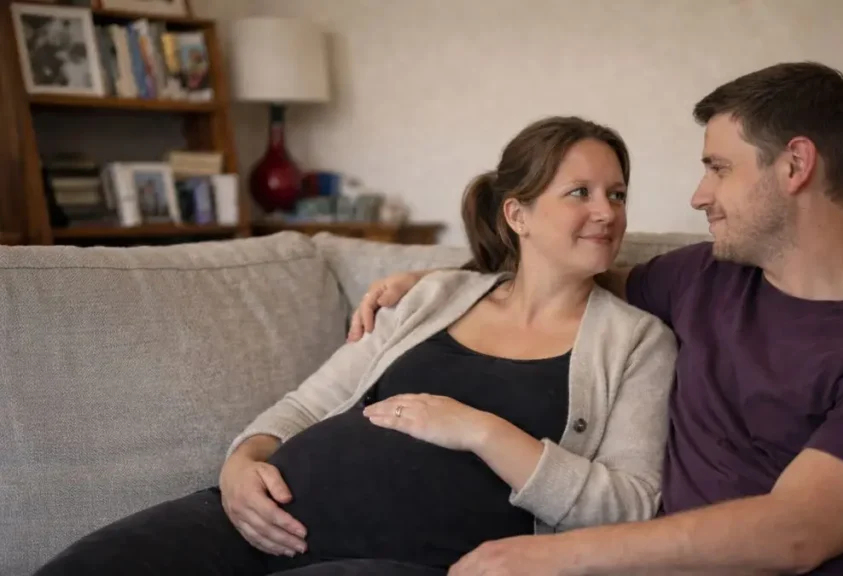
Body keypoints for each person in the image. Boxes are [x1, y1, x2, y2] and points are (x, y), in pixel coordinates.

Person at [347, 62, 843, 576]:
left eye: (718, 168)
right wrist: (441, 285)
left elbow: (793, 534)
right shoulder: (703, 278)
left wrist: (547, 559)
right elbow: (565, 278)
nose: (698, 195)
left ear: (796, 165)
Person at [33, 116, 678, 576]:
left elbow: (629, 505)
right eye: (581, 193)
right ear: (518, 214)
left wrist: (479, 430)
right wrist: (243, 463)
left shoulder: (637, 342)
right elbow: (309, 403)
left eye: (617, 194)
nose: (609, 213)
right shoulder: (436, 297)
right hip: (258, 518)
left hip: (403, 558)